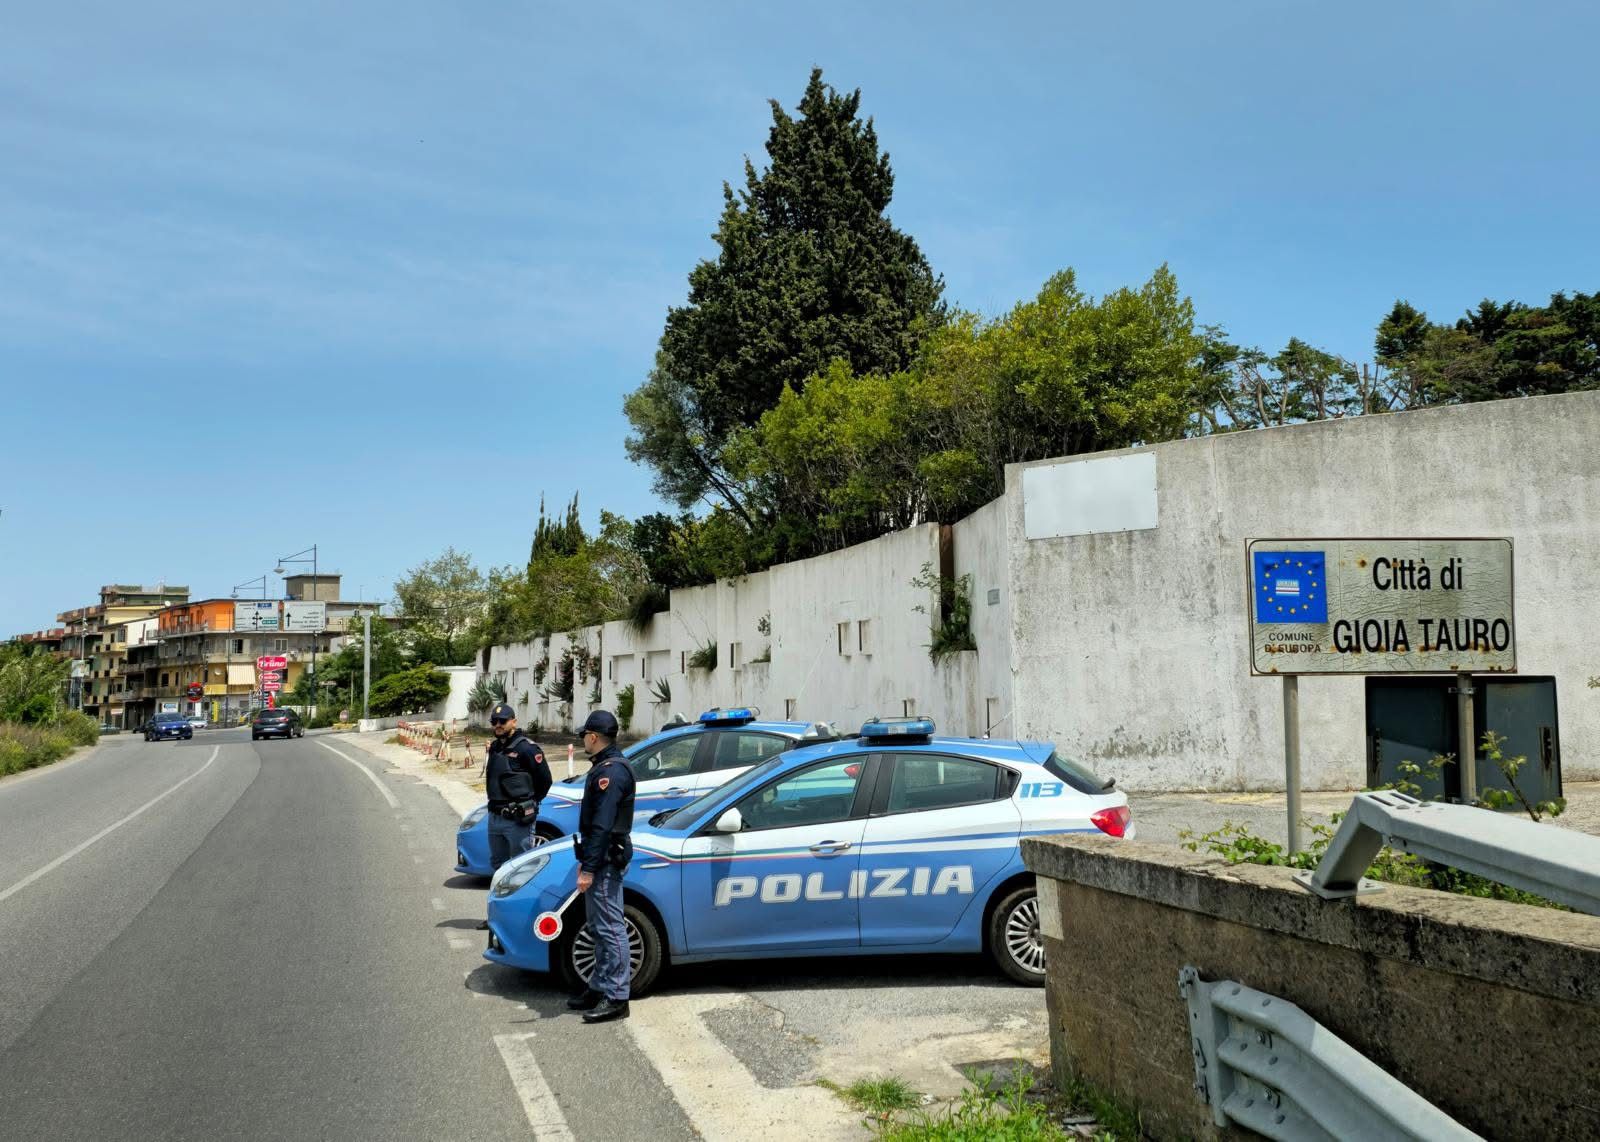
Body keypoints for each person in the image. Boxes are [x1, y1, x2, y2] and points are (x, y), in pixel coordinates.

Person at [566, 709, 636, 1023]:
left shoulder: (611, 772)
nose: (583, 739)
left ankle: (617, 997)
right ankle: (598, 986)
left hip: (605, 860)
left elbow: (602, 826)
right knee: (598, 928)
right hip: (602, 858)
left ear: (594, 737)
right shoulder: (605, 767)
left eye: (585, 735)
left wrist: (589, 869)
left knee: (611, 930)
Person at [483, 703, 551, 870]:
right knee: (498, 867)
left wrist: (530, 803)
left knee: (522, 867)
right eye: (494, 721)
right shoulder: (495, 747)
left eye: (502, 721)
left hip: (517, 820)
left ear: (514, 721)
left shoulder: (527, 748)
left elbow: (544, 781)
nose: (498, 725)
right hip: (495, 817)